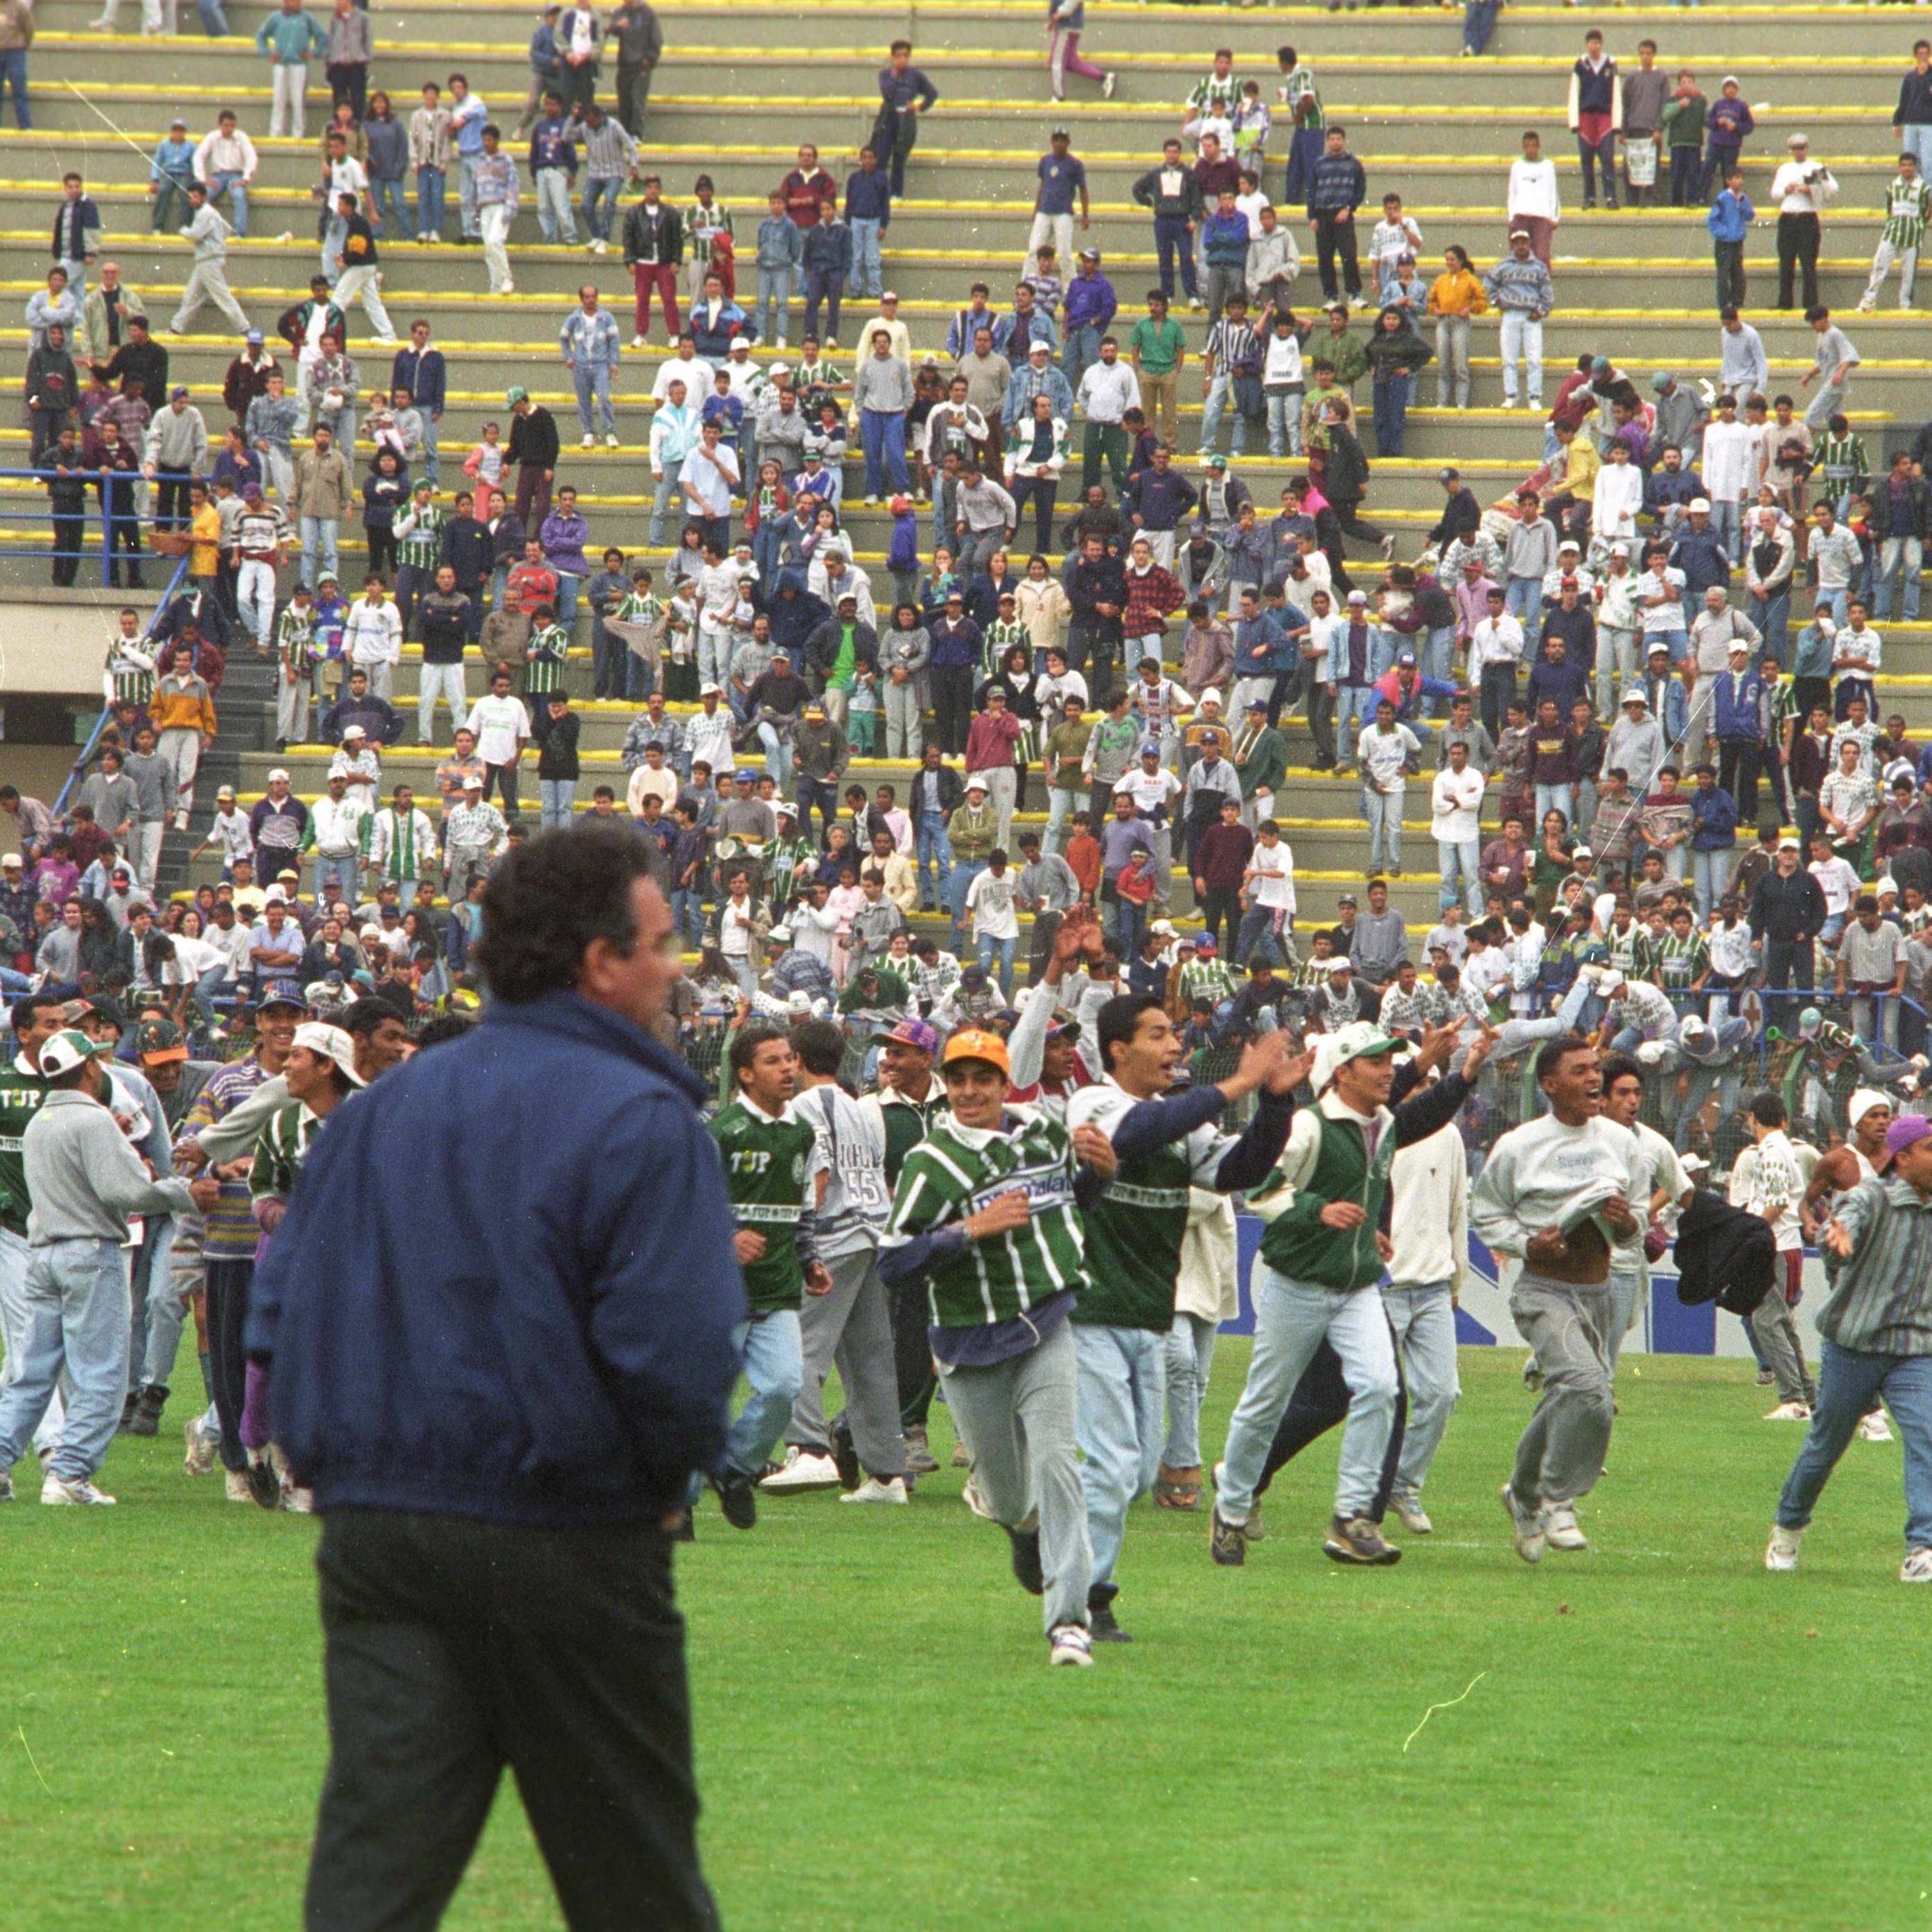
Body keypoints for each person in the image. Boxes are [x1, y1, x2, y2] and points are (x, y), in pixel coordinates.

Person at [245, 829, 737, 1926]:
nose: (676, 967)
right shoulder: (644, 1119)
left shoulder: (377, 1113)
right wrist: (653, 1488)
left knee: (374, 1877)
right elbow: (681, 1353)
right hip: (568, 1530)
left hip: (381, 1535)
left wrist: (341, 1464)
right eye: (661, 944)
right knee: (637, 1881)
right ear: (600, 961)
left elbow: (278, 1313)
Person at [878, 1025, 1118, 1666]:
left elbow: (1073, 1203)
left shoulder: (1041, 1133)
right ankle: (1022, 1525)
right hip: (968, 1343)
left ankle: (1070, 1621)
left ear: (1004, 1081)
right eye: (958, 1079)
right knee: (1012, 1496)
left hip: (1045, 1322)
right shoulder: (931, 1162)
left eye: (982, 1078)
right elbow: (893, 1263)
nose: (969, 1091)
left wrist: (1100, 1173)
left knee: (1060, 1465)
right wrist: (969, 1230)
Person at [1066, 1003, 1306, 1637]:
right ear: (1117, 1050)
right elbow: (1140, 1133)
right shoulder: (1093, 1103)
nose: (1176, 1044)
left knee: (1139, 1471)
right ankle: (1089, 1599)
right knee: (1115, 1464)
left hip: (1149, 1313)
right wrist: (1238, 1083)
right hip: (1088, 1309)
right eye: (1159, 1035)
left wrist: (1275, 1105)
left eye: (1174, 1033)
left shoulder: (1181, 1121)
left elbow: (1241, 1171)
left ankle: (1050, 1541)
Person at [0, 1026, 193, 1505]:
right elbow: (126, 1191)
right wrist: (184, 1191)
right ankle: (70, 1474)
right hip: (90, 1252)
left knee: (32, 1371)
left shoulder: (42, 1118)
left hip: (42, 1254)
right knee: (102, 1371)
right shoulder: (94, 1120)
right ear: (90, 1067)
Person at [1471, 1037, 1645, 1562]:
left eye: (1597, 1069)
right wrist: (1527, 1243)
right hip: (1543, 1292)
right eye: (1580, 1071)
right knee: (1591, 1391)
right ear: (1550, 1085)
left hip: (1599, 1296)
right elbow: (1486, 1213)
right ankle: (1557, 1498)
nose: (1595, 1079)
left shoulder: (1621, 1142)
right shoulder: (1520, 1146)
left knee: (1563, 1399)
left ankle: (1521, 1496)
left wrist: (1628, 1222)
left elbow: (1638, 1228)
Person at [760, 1017, 909, 1502]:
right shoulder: (861, 1106)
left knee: (800, 1343)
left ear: (799, 1060)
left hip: (835, 1236)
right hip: (874, 1232)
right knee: (870, 1357)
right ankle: (888, 1474)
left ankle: (809, 1449)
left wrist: (799, 1247)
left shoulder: (806, 1103)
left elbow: (818, 1176)